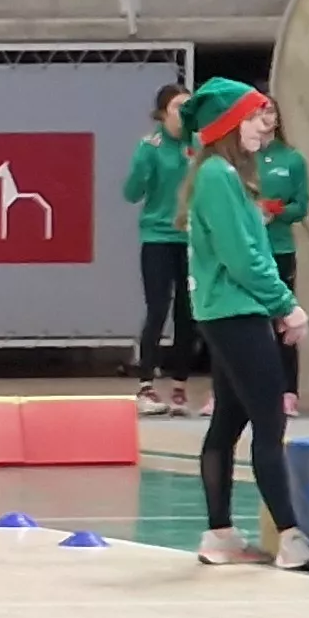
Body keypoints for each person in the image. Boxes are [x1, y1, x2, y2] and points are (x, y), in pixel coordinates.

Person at [176, 79, 309, 572]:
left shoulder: (221, 175)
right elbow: (243, 256)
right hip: (236, 312)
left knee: (229, 420)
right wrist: (285, 304)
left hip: (227, 311)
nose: (265, 126)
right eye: (256, 117)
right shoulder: (218, 176)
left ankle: (220, 535)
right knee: (268, 421)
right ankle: (290, 536)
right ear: (230, 125)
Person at [124, 82, 196, 419]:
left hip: (191, 239)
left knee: (188, 313)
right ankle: (145, 385)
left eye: (189, 106)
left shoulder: (198, 144)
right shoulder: (150, 146)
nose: (184, 113)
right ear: (163, 112)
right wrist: (143, 163)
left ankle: (180, 386)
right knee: (157, 310)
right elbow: (131, 193)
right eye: (178, 106)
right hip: (157, 237)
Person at [256, 103, 309, 415]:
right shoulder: (239, 158)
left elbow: (301, 206)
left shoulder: (292, 159)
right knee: (247, 321)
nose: (265, 119)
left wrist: (276, 210)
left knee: (283, 320)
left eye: (270, 112)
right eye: (258, 113)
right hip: (249, 249)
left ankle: (288, 391)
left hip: (279, 248)